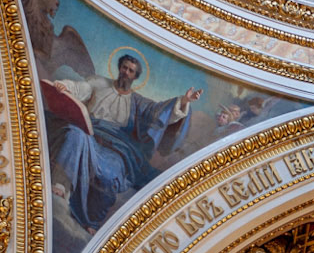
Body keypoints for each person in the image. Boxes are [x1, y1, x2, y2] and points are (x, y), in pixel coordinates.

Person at [46, 53, 202, 231]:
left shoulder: (138, 102)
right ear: (119, 68)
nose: (126, 72)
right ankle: (60, 186)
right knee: (75, 133)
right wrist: (63, 86)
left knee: (109, 176)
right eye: (124, 68)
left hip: (117, 149)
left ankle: (91, 220)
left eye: (131, 71)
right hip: (90, 134)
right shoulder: (100, 83)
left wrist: (183, 101)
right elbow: (80, 88)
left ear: (135, 77)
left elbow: (158, 111)